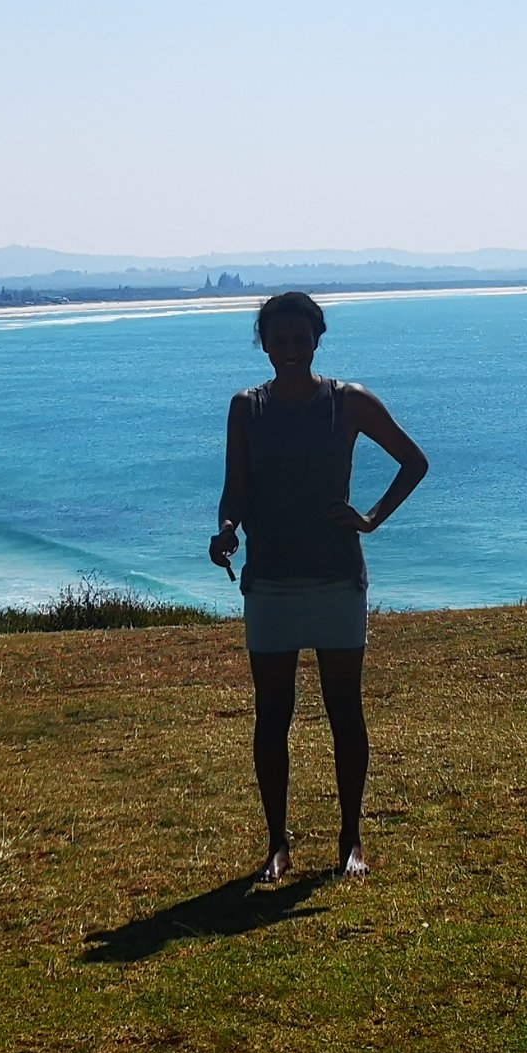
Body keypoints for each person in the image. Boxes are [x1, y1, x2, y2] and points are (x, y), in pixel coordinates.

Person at [209, 291, 429, 883]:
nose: (289, 349)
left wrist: (372, 518)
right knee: (271, 716)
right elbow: (235, 488)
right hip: (271, 581)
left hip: (336, 577)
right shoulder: (246, 407)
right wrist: (227, 529)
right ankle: (277, 845)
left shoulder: (348, 402)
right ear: (264, 343)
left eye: (299, 339)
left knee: (344, 712)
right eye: (277, 339)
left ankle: (350, 839)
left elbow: (413, 461)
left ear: (316, 340)